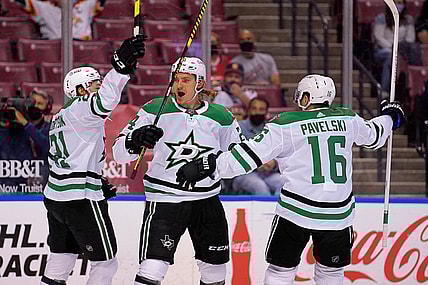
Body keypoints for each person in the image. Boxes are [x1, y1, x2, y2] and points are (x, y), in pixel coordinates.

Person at [176, 74, 405, 285]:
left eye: (301, 94)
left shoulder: (286, 124)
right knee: (331, 272)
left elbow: (245, 157)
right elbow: (375, 135)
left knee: (280, 270)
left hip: (296, 211)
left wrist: (208, 166)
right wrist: (390, 116)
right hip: (338, 214)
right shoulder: (347, 118)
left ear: (307, 96)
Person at [112, 56, 245, 285]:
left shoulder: (222, 116)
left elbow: (240, 159)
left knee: (215, 271)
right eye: (175, 79)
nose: (178, 85)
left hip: (207, 200)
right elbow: (118, 152)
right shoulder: (155, 109)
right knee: (152, 267)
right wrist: (136, 140)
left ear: (200, 84)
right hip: (165, 200)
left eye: (185, 79)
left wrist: (210, 167)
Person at [41, 35, 146, 285]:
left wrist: (97, 180)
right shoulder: (81, 109)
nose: (100, 87)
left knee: (61, 259)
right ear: (80, 90)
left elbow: (73, 157)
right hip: (80, 197)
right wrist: (120, 68)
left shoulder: (62, 117)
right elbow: (106, 100)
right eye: (95, 84)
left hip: (57, 196)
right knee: (106, 263)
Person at [0, 89, 53, 192]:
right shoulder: (15, 129)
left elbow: (47, 147)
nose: (35, 106)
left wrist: (25, 124)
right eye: (32, 102)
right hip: (14, 184)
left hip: (41, 184)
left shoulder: (49, 128)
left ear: (47, 108)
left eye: (40, 104)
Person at [231, 97, 285, 195]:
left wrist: (274, 164)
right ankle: (265, 211)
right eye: (254, 108)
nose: (257, 112)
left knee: (284, 184)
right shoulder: (238, 128)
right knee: (260, 187)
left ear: (266, 112)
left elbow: (280, 154)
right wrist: (256, 163)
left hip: (268, 173)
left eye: (261, 109)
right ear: (249, 110)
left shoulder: (272, 129)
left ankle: (278, 210)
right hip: (244, 173)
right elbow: (232, 155)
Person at [373, 0, 422, 93]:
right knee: (390, 57)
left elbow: (410, 39)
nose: (398, 5)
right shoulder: (381, 18)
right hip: (384, 49)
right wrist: (393, 47)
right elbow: (379, 38)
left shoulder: (408, 20)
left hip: (402, 50)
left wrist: (400, 48)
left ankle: (413, 89)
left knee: (410, 53)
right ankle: (384, 91)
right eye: (396, 3)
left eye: (400, 3)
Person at [14, 0, 105, 40]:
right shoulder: (44, 7)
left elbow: (101, 2)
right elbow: (23, 2)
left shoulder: (85, 5)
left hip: (83, 46)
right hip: (56, 47)